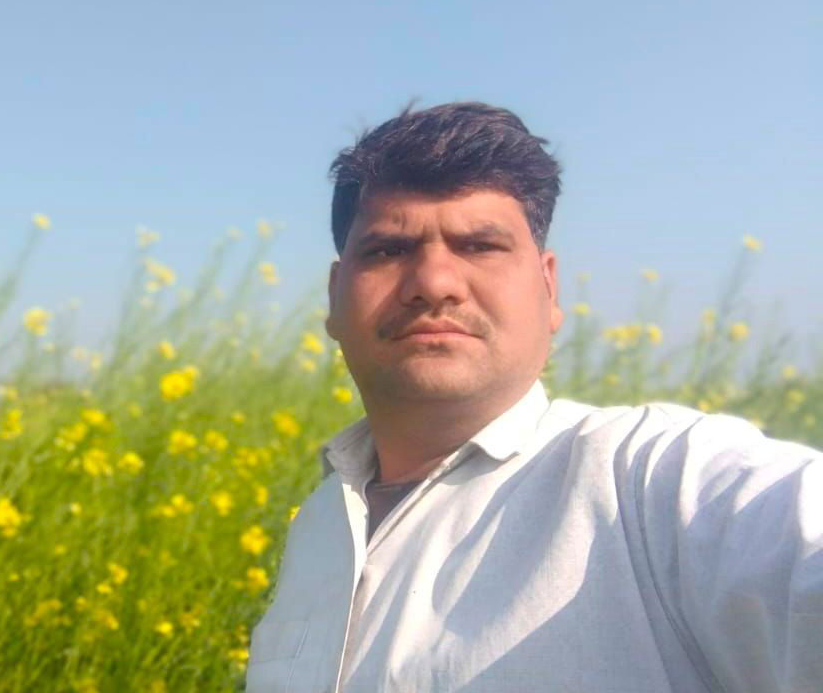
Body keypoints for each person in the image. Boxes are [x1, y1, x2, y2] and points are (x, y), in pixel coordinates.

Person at [246, 100, 822, 693]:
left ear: (549, 288)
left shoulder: (653, 480)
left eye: (480, 246)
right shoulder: (319, 522)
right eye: (388, 251)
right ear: (336, 296)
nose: (434, 284)